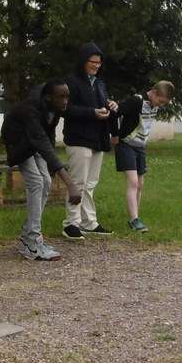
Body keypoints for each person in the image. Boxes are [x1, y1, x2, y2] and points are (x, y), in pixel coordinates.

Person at [1, 80, 83, 261]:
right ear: (48, 98)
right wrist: (70, 184)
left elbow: (49, 137)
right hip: (19, 143)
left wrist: (52, 166)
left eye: (67, 97)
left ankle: (28, 236)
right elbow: (41, 141)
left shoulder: (53, 106)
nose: (65, 101)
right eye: (61, 97)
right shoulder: (31, 111)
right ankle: (32, 242)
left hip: (35, 141)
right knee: (37, 182)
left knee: (46, 180)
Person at [61, 42, 118, 240]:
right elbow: (66, 109)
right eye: (92, 62)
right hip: (79, 139)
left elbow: (102, 104)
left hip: (97, 139)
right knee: (77, 183)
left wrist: (110, 105)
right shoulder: (71, 82)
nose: (96, 66)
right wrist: (92, 113)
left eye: (99, 63)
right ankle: (71, 224)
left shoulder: (100, 83)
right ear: (83, 61)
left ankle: (89, 222)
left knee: (91, 183)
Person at [110, 80, 175, 232]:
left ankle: (136, 215)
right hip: (126, 144)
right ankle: (134, 220)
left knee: (140, 184)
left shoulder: (154, 105)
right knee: (133, 181)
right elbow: (114, 112)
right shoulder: (136, 101)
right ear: (153, 92)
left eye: (164, 103)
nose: (161, 105)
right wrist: (115, 134)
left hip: (140, 147)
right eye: (160, 101)